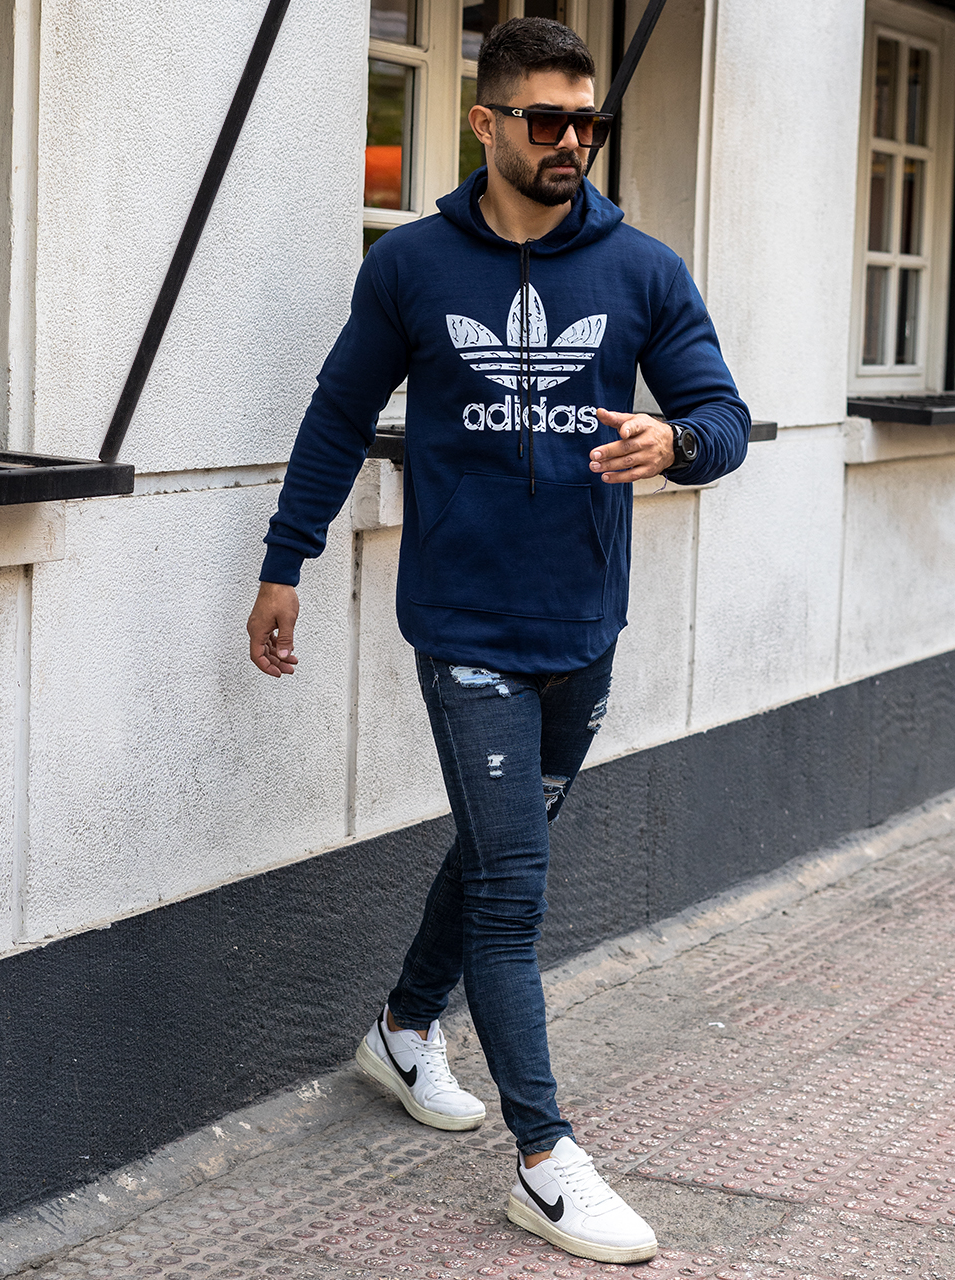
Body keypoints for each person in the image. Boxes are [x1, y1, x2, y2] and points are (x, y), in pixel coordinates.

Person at [246, 16, 749, 1265]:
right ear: (485, 123)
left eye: (587, 120)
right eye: (546, 119)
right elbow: (336, 413)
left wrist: (675, 442)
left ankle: (402, 1027)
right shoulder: (412, 265)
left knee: (492, 850)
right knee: (515, 886)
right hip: (462, 621)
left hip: (581, 623)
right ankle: (543, 1158)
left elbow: (721, 415)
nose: (571, 140)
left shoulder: (641, 270)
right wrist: (284, 561)